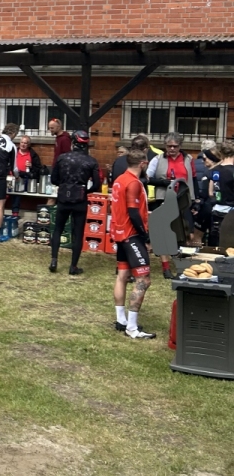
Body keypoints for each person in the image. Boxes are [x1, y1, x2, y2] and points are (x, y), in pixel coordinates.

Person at [111, 148, 156, 340]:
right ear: (143, 164)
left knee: (122, 276)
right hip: (131, 235)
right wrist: (145, 236)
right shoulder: (133, 183)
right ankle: (131, 326)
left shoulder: (119, 179)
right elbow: (133, 212)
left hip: (120, 233)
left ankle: (121, 319)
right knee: (143, 280)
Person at [49, 129, 101, 276]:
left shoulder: (62, 158)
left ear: (73, 142)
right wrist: (86, 190)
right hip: (80, 199)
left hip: (63, 197)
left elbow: (54, 179)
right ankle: (73, 266)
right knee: (78, 233)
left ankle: (54, 260)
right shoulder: (91, 161)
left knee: (58, 229)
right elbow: (97, 184)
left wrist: (64, 184)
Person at [146, 132, 196, 274]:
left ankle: (184, 265)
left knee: (187, 232)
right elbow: (147, 178)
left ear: (180, 146)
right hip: (164, 198)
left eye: (175, 146)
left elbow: (193, 179)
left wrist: (196, 199)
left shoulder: (188, 159)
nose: (172, 149)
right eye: (169, 146)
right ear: (165, 146)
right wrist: (163, 182)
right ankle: (166, 267)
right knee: (164, 232)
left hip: (183, 199)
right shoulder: (157, 159)